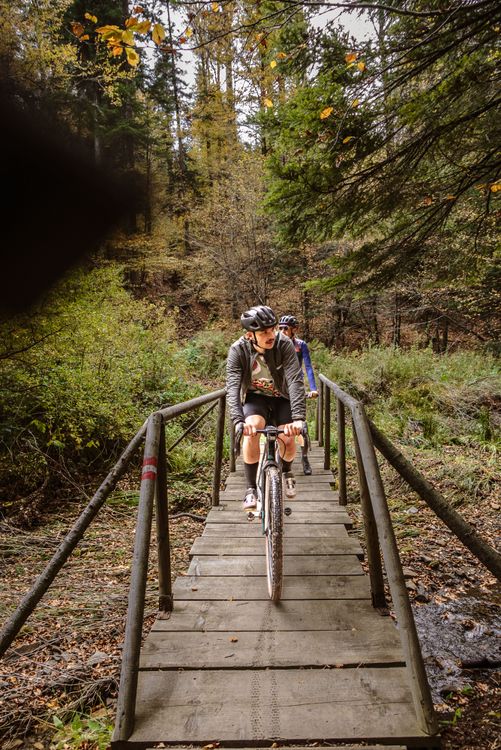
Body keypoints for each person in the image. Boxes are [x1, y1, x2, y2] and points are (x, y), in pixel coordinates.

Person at [226, 305, 306, 510]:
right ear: (250, 335)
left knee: (288, 436)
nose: (271, 335)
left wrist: (298, 418)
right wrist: (238, 421)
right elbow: (233, 386)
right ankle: (251, 489)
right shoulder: (238, 350)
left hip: (283, 397)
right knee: (252, 429)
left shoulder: (284, 343)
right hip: (256, 398)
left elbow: (295, 380)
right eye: (264, 332)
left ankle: (287, 471)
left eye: (273, 329)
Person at [278, 314, 318, 475]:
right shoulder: (276, 344)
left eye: (285, 328)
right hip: (280, 387)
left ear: (294, 329)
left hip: (296, 386)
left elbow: (307, 367)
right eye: (279, 328)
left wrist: (313, 388)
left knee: (300, 426)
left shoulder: (300, 345)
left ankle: (305, 457)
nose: (282, 331)